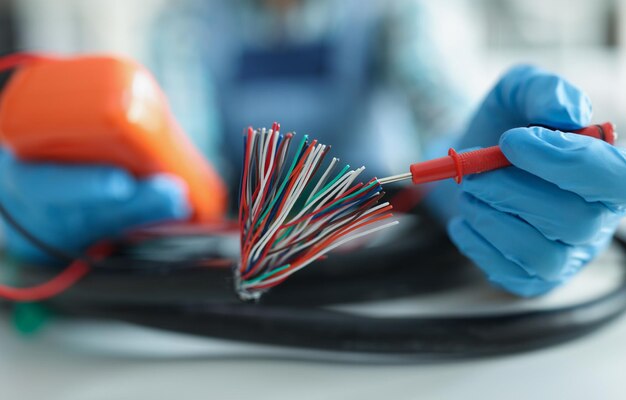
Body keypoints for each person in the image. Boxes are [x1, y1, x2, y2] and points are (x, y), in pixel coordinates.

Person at [1, 0, 624, 298]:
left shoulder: (397, 14)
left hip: (381, 259)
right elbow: (183, 160)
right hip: (238, 260)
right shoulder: (187, 25)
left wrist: (469, 166)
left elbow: (440, 110)